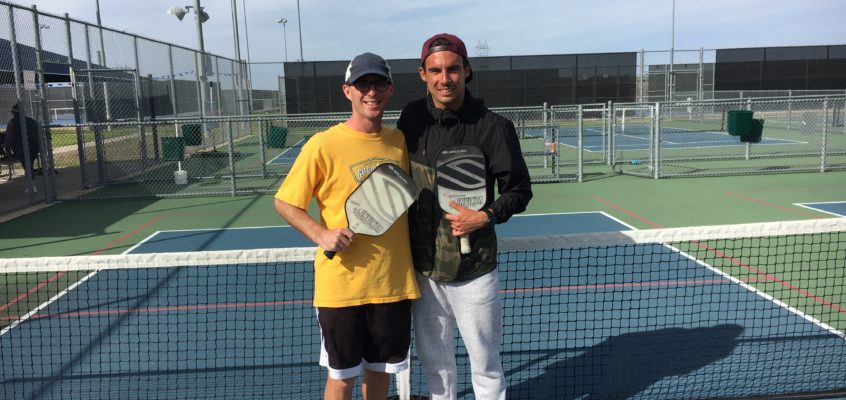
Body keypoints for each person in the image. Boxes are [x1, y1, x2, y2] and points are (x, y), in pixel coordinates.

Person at [273, 52, 420, 400]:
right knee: (341, 380)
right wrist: (321, 234)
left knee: (380, 377)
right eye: (362, 84)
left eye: (379, 83)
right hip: (341, 291)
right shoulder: (322, 144)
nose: (372, 91)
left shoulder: (399, 142)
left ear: (390, 88)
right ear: (347, 91)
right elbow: (285, 202)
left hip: (393, 284)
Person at [397, 33, 533, 399]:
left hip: (474, 272)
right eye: (436, 70)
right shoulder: (410, 118)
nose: (445, 78)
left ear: (467, 71)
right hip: (423, 271)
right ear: (423, 73)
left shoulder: (495, 127)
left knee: (486, 366)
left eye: (453, 69)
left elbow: (520, 191)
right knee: (435, 364)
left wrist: (485, 215)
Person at [3, 103, 40, 173]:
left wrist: (7, 149)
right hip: (34, 148)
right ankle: (30, 174)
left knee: (27, 165)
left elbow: (8, 137)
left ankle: (30, 176)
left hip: (20, 149)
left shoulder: (12, 122)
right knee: (28, 165)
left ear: (14, 113)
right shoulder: (31, 121)